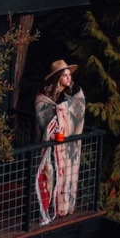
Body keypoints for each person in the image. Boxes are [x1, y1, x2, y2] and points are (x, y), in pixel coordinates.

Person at [34, 59, 86, 225]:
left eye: (69, 75)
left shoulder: (75, 92)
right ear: (57, 77)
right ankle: (48, 208)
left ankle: (63, 207)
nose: (69, 78)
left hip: (68, 146)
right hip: (49, 146)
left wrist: (62, 112)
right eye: (65, 75)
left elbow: (78, 114)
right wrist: (57, 115)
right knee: (48, 175)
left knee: (67, 176)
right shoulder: (45, 95)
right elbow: (41, 112)